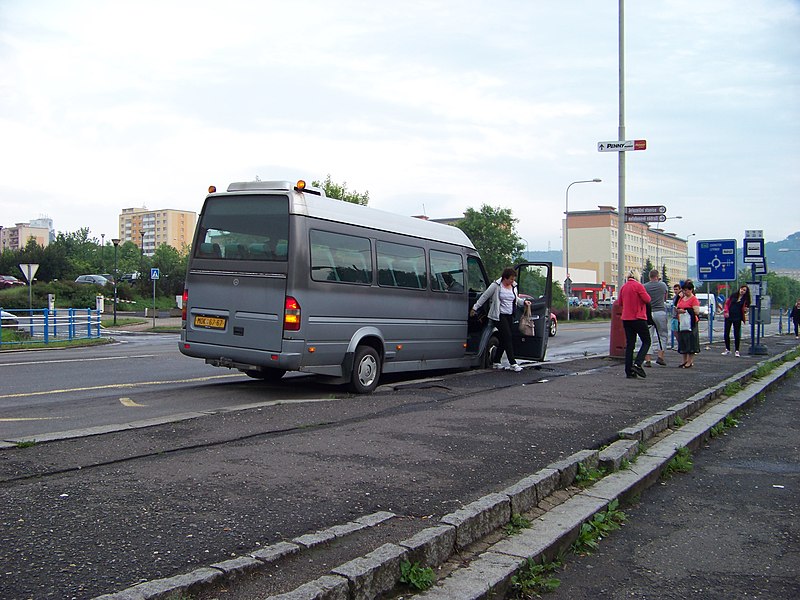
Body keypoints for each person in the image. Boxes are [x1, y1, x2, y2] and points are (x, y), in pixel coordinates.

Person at [470, 267, 531, 372]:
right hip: (498, 315)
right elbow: (485, 296)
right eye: (511, 279)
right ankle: (513, 362)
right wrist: (475, 307)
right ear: (505, 278)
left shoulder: (513, 287)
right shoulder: (496, 286)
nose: (512, 281)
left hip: (509, 315)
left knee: (504, 338)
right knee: (508, 336)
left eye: (513, 279)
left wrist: (524, 302)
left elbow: (516, 299)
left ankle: (496, 361)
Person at [618, 268, 651, 379]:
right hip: (638, 317)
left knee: (630, 345)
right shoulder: (638, 286)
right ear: (637, 277)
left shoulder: (623, 287)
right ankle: (637, 363)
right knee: (646, 341)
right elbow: (647, 299)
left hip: (626, 318)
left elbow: (620, 302)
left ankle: (628, 371)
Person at [643, 269, 669, 367]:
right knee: (662, 335)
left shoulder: (645, 287)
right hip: (660, 312)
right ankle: (660, 356)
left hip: (648, 313)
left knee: (648, 336)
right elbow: (665, 298)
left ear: (649, 276)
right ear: (657, 276)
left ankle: (648, 359)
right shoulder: (663, 285)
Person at [676, 279, 700, 368]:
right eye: (684, 290)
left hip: (691, 323)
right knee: (683, 341)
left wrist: (685, 311)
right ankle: (684, 360)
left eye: (686, 290)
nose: (685, 292)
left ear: (691, 290)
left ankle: (690, 361)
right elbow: (677, 306)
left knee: (691, 341)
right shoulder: (682, 298)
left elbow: (696, 311)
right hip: (682, 322)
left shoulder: (694, 299)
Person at [722, 284, 751, 357]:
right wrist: (726, 311)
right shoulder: (733, 295)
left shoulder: (745, 300)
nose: (742, 291)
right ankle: (727, 349)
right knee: (726, 333)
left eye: (744, 290)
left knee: (736, 334)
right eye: (741, 289)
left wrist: (745, 310)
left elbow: (746, 308)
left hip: (737, 317)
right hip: (729, 316)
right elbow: (727, 304)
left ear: (746, 292)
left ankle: (737, 350)